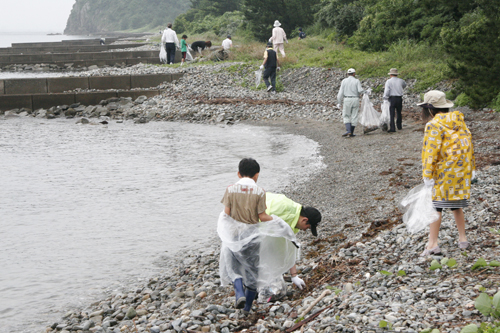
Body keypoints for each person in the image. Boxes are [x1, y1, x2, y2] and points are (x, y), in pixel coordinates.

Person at [418, 90, 476, 256]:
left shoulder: (433, 125)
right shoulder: (459, 121)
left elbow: (430, 151)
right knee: (456, 205)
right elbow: (469, 143)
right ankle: (463, 239)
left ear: (430, 109)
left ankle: (432, 243)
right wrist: (472, 168)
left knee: (436, 206)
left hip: (444, 171)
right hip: (461, 169)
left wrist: (427, 175)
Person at [220, 158, 274, 313]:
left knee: (233, 267)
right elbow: (262, 216)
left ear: (238, 174)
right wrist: (277, 221)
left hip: (233, 235)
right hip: (252, 237)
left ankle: (238, 293)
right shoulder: (260, 191)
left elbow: (227, 214)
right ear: (256, 175)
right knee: (252, 271)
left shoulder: (230, 189)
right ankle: (247, 309)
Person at [265, 192, 321, 290]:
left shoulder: (294, 222)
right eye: (307, 227)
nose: (305, 230)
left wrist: (294, 276)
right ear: (304, 220)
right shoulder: (283, 208)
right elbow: (259, 219)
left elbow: (288, 247)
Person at [337, 68, 365, 137]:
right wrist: (366, 92)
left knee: (346, 115)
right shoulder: (356, 81)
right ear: (354, 74)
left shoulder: (344, 81)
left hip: (347, 99)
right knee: (354, 115)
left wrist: (339, 102)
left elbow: (340, 93)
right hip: (355, 99)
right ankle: (351, 132)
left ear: (347, 74)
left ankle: (348, 130)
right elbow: (360, 90)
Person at [383, 68, 407, 132]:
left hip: (392, 98)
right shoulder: (401, 81)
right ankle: (399, 126)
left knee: (392, 113)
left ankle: (392, 128)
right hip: (399, 98)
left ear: (390, 75)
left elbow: (387, 90)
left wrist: (385, 97)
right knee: (399, 112)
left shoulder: (388, 81)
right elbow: (404, 85)